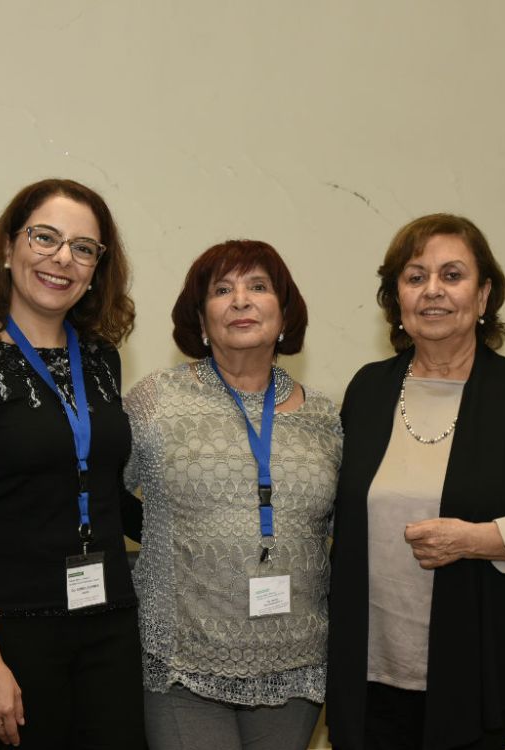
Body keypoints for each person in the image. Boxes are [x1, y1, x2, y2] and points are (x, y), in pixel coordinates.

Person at [326, 214, 505, 750]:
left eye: (452, 275)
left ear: (484, 294)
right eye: (415, 277)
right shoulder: (369, 389)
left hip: (476, 665)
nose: (433, 292)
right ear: (396, 297)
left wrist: (477, 540)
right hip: (369, 664)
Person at [0, 178, 143, 748]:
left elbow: (102, 488)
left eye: (83, 247)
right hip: (11, 631)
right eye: (44, 237)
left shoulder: (101, 358)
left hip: (109, 621)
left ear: (97, 268)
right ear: (7, 247)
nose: (61, 258)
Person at [124, 239, 342, 750]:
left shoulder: (326, 418)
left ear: (284, 313)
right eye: (222, 290)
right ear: (201, 321)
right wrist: (168, 533)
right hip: (182, 662)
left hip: (296, 661)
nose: (241, 300)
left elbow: (337, 528)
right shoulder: (156, 400)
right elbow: (98, 493)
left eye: (258, 287)